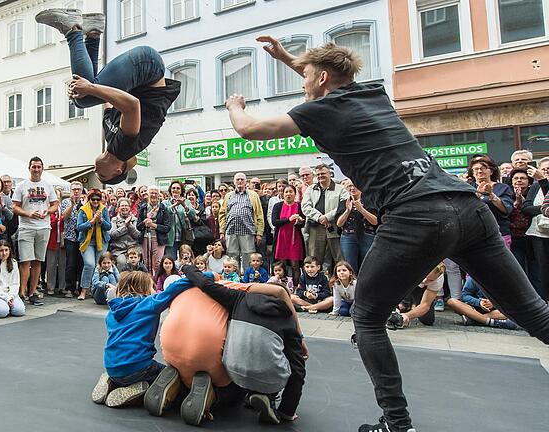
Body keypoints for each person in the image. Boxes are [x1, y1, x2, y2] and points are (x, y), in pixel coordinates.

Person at [224, 38, 549, 432]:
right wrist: (290, 59)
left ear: (321, 78)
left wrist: (235, 106)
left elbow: (250, 130)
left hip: (415, 215)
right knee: (534, 311)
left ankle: (398, 424)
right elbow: (328, 77)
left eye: (305, 76)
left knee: (368, 316)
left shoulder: (318, 109)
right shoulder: (372, 94)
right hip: (466, 207)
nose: (302, 83)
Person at [35, 8, 181, 184]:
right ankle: (71, 29)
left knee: (82, 97)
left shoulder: (111, 140)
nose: (96, 170)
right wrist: (89, 90)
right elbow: (132, 105)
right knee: (85, 97)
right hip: (148, 68)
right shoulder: (125, 148)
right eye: (103, 175)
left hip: (143, 71)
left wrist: (83, 90)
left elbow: (108, 100)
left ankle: (93, 32)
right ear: (118, 169)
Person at [178, 265, 307, 425]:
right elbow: (298, 368)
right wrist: (288, 411)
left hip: (233, 369)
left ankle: (217, 395)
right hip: (268, 376)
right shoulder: (286, 318)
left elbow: (206, 285)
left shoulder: (238, 298)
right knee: (286, 362)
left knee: (236, 384)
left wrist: (187, 268)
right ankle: (269, 396)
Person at [90, 270, 193, 408]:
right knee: (172, 377)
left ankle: (110, 381)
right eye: (151, 286)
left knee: (125, 370)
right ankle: (140, 391)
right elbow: (174, 289)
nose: (154, 289)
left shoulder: (112, 312)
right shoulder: (148, 303)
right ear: (142, 289)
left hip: (112, 366)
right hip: (139, 368)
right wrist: (205, 276)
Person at [12, 157, 59, 305]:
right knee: (25, 261)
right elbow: (14, 206)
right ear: (29, 168)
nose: (36, 169)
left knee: (38, 261)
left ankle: (32, 292)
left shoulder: (48, 186)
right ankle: (21, 292)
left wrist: (48, 211)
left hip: (43, 227)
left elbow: (55, 205)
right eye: (34, 167)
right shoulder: (22, 185)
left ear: (42, 168)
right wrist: (28, 213)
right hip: (27, 227)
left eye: (39, 167)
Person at [301, 164, 347, 274]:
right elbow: (305, 207)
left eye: (323, 174)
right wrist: (319, 217)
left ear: (329, 174)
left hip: (334, 227)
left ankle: (338, 284)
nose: (321, 176)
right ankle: (316, 284)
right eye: (318, 174)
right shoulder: (311, 189)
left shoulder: (340, 189)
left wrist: (327, 217)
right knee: (314, 259)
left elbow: (343, 206)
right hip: (315, 228)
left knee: (338, 257)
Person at [218, 172, 265, 272]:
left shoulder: (253, 195)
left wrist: (259, 233)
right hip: (231, 231)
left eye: (242, 179)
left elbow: (259, 215)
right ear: (234, 182)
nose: (239, 181)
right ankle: (234, 278)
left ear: (245, 182)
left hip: (247, 230)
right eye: (237, 180)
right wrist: (222, 231)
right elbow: (222, 214)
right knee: (232, 256)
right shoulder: (228, 196)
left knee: (248, 256)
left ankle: (248, 279)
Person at [468, 157, 514, 247]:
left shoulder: (503, 187)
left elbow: (506, 210)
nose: (479, 171)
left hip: (500, 232)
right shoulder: (467, 188)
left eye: (483, 168)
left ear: (491, 171)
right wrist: (477, 195)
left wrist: (491, 195)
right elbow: (464, 208)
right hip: (474, 234)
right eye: (476, 169)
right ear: (473, 173)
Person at [336, 179, 379, 274]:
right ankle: (353, 287)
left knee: (368, 264)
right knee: (350, 266)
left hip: (368, 235)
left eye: (354, 185)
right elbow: (339, 224)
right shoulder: (344, 202)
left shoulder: (370, 200)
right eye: (349, 186)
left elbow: (375, 221)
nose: (352, 188)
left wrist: (361, 209)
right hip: (348, 236)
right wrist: (347, 211)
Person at [76, 188, 112, 300]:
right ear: (89, 199)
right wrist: (91, 222)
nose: (96, 202)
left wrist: (100, 220)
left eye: (98, 199)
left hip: (101, 240)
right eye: (93, 199)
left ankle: (95, 290)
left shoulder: (104, 209)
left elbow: (109, 226)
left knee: (98, 266)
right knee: (90, 264)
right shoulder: (83, 210)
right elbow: (79, 227)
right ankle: (83, 290)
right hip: (87, 241)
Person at [386, 264, 445, 330]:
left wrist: (407, 316)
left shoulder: (438, 280)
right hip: (406, 280)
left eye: (431, 280)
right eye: (425, 277)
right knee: (399, 305)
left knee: (427, 320)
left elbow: (425, 305)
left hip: (421, 288)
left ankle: (406, 311)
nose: (425, 281)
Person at [446, 277, 519, 330]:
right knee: (451, 302)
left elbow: (509, 300)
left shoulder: (504, 280)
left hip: (494, 311)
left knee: (509, 312)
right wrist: (479, 302)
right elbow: (464, 295)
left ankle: (474, 320)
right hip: (473, 308)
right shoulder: (474, 278)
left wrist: (494, 303)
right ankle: (490, 321)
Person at [523, 157, 549, 301]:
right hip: (538, 233)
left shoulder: (543, 183)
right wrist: (544, 209)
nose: (546, 172)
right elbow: (526, 208)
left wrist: (544, 182)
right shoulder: (535, 186)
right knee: (543, 270)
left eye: (548, 169)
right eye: (543, 169)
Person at [271, 185, 306, 285]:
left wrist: (299, 221)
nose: (288, 194)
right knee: (282, 265)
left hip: (295, 238)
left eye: (291, 191)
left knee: (295, 265)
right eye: (286, 192)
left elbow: (303, 223)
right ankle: (282, 286)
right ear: (283, 194)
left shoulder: (299, 206)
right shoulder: (277, 206)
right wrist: (289, 219)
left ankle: (296, 287)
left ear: (295, 194)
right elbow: (275, 222)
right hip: (281, 238)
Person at [0, 240, 26, 318]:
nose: (4, 253)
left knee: (20, 311)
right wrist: (6, 298)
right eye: (1, 251)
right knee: (2, 312)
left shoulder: (14, 262)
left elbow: (15, 283)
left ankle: (7, 306)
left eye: (6, 250)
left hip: (10, 293)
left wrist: (11, 296)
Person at [137, 185, 172, 276]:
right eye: (151, 193)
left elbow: (167, 227)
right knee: (147, 263)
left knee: (157, 264)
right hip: (145, 237)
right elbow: (138, 226)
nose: (153, 195)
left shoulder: (163, 208)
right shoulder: (143, 207)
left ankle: (157, 284)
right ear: (148, 194)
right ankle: (148, 284)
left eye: (155, 193)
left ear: (158, 194)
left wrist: (153, 225)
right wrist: (145, 223)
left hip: (159, 238)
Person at [60, 181, 85, 297]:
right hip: (70, 237)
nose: (76, 191)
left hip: (82, 238)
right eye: (74, 189)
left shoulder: (85, 202)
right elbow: (64, 216)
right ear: (70, 191)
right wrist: (72, 204)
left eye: (78, 189)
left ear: (81, 191)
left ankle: (80, 288)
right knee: (70, 263)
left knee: (81, 263)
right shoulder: (65, 202)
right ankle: (69, 288)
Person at [108, 198, 140, 267]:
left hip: (133, 248)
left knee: (134, 262)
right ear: (118, 208)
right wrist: (125, 226)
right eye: (122, 206)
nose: (124, 207)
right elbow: (112, 234)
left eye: (126, 206)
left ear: (129, 207)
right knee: (122, 262)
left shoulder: (134, 219)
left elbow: (137, 235)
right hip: (119, 250)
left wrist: (129, 225)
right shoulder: (114, 220)